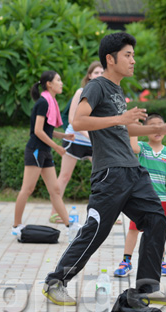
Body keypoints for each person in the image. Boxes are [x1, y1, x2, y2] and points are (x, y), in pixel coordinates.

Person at [42, 32, 166, 306]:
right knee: (96, 230)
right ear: (111, 58)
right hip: (110, 173)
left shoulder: (118, 90)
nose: (133, 60)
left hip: (133, 170)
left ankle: (146, 286)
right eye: (128, 55)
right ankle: (56, 281)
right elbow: (79, 121)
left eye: (133, 55)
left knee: (157, 219)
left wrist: (158, 128)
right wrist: (120, 117)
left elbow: (122, 127)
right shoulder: (97, 86)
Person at [114, 113, 166, 278]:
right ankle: (126, 261)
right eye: (153, 126)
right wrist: (134, 124)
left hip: (161, 201)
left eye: (160, 125)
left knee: (160, 231)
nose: (157, 129)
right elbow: (133, 147)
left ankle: (160, 260)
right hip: (142, 198)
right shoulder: (142, 147)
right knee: (134, 229)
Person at [12, 71, 74, 236]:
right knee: (27, 189)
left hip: (44, 151)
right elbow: (38, 131)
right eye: (58, 80)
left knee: (55, 191)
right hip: (36, 150)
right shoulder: (43, 103)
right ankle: (16, 225)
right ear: (49, 84)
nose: (61, 83)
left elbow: (47, 130)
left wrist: (64, 136)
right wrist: (57, 147)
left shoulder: (51, 102)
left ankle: (70, 226)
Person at [49, 61, 103, 224]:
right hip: (75, 139)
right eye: (96, 73)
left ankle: (104, 214)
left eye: (102, 73)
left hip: (93, 141)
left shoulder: (103, 93)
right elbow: (72, 119)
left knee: (102, 177)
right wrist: (88, 135)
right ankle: (54, 212)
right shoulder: (81, 92)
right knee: (64, 176)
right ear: (89, 75)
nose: (99, 76)